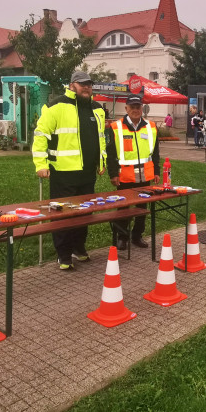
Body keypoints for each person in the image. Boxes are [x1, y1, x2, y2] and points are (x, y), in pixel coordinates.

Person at [32, 70, 107, 270]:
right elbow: (40, 135)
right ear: (72, 85)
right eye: (82, 84)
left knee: (85, 213)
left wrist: (102, 162)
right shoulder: (55, 106)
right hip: (63, 172)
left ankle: (78, 247)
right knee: (63, 213)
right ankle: (63, 254)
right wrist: (41, 164)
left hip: (87, 172)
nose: (87, 87)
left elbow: (101, 138)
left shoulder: (97, 109)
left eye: (89, 84)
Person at [105, 94, 160, 250]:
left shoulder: (151, 126)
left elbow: (155, 152)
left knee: (142, 208)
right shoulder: (115, 127)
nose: (135, 110)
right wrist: (113, 174)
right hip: (124, 176)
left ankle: (137, 236)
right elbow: (110, 153)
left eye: (138, 107)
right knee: (123, 208)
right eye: (132, 107)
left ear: (142, 108)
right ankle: (122, 237)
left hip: (145, 175)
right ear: (126, 108)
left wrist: (156, 171)